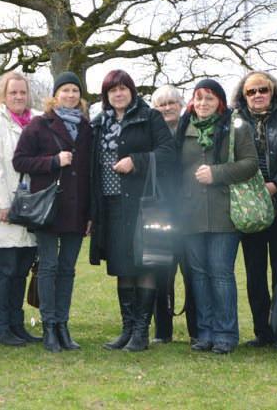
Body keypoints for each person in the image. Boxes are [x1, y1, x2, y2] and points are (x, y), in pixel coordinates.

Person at [89, 69, 176, 352]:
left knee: (146, 262)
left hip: (143, 204)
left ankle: (141, 331)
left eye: (123, 88)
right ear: (106, 94)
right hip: (111, 204)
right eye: (112, 89)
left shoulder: (149, 117)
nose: (118, 93)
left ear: (132, 91)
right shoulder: (100, 122)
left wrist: (135, 161)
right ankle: (127, 330)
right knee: (122, 265)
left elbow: (168, 153)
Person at [175, 79, 259, 354]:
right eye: (199, 98)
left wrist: (217, 173)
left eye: (209, 98)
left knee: (221, 273)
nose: (203, 103)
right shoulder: (182, 127)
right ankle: (205, 332)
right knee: (198, 275)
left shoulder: (236, 126)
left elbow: (250, 163)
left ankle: (225, 334)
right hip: (190, 214)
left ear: (220, 102)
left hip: (224, 212)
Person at [13, 71, 93, 352]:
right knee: (48, 266)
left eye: (74, 91)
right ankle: (48, 326)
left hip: (77, 209)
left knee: (68, 269)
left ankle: (62, 325)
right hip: (48, 208)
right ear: (55, 95)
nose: (70, 95)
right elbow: (20, 161)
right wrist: (53, 162)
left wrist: (91, 213)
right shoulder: (39, 125)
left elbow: (91, 173)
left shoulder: (86, 128)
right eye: (65, 90)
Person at [230, 71, 277, 351]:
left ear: (273, 92)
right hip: (249, 209)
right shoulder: (234, 123)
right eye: (251, 92)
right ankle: (262, 332)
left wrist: (275, 184)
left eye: (262, 90)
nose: (257, 95)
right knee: (254, 274)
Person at [0, 71, 40, 347]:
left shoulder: (36, 121)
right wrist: (3, 203)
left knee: (22, 266)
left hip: (31, 205)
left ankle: (16, 323)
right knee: (5, 267)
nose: (18, 97)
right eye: (13, 92)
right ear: (3, 95)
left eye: (22, 92)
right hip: (4, 205)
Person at [147, 85, 198, 344]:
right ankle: (163, 331)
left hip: (189, 212)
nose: (167, 108)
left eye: (171, 103)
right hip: (161, 211)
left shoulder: (193, 129)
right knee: (161, 273)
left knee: (192, 273)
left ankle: (196, 330)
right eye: (161, 104)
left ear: (181, 104)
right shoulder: (150, 132)